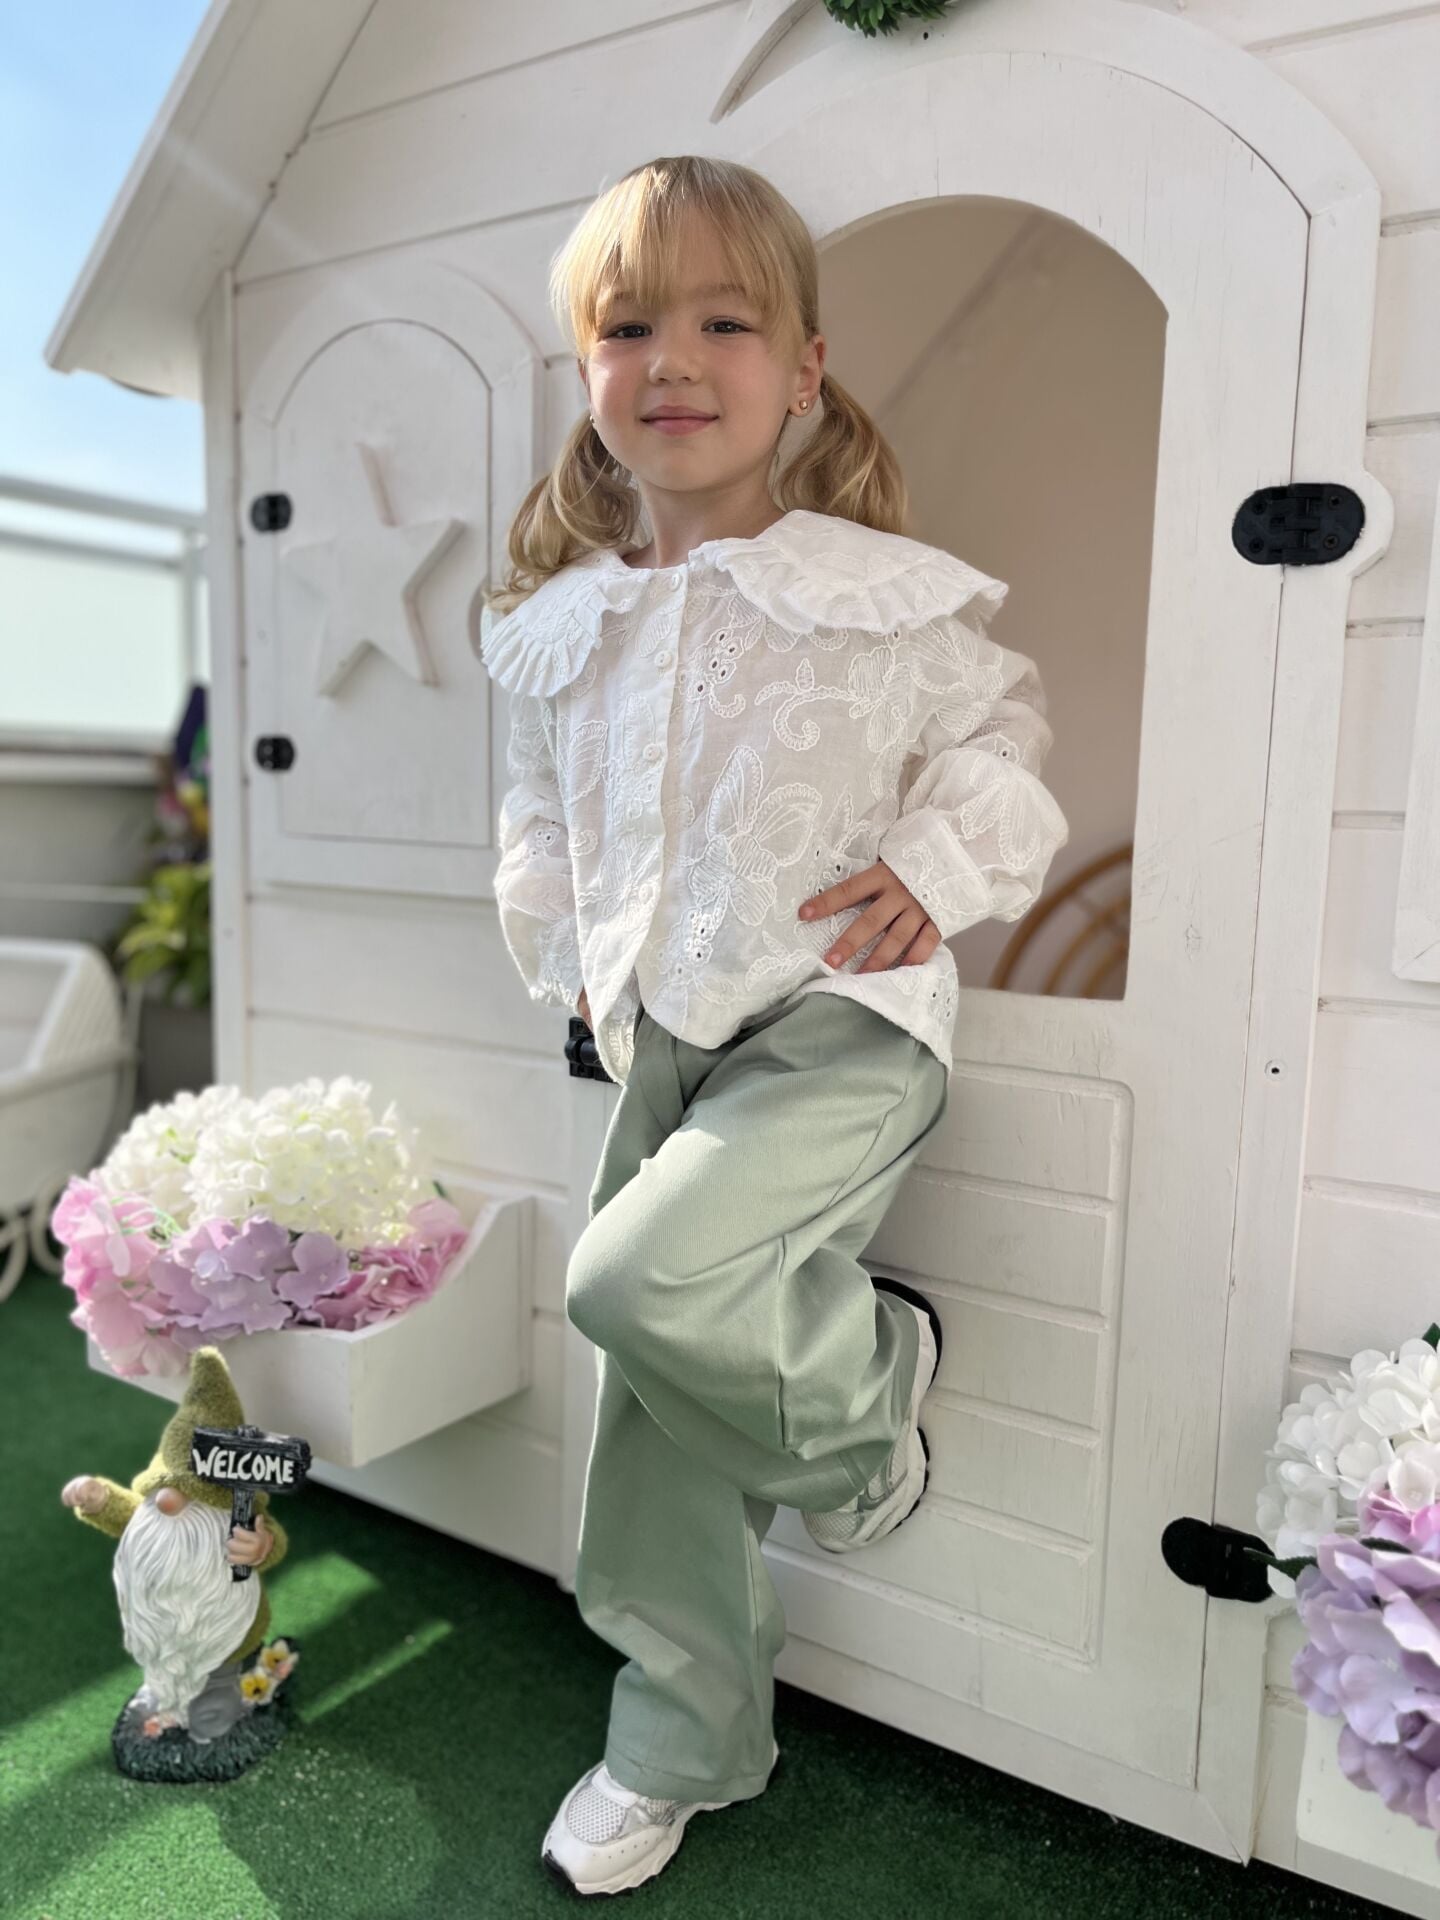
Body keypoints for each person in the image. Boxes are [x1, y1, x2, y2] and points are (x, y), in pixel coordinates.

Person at [477, 155, 1069, 1898]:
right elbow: (537, 813)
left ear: (804, 369)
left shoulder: (878, 592)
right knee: (652, 1399)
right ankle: (683, 1738)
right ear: (587, 371)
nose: (675, 358)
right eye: (629, 326)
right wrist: (561, 945)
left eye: (726, 323)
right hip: (659, 1033)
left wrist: (936, 864)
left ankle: (866, 1408)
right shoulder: (561, 627)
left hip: (839, 1026)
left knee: (630, 1285)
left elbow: (1005, 741)